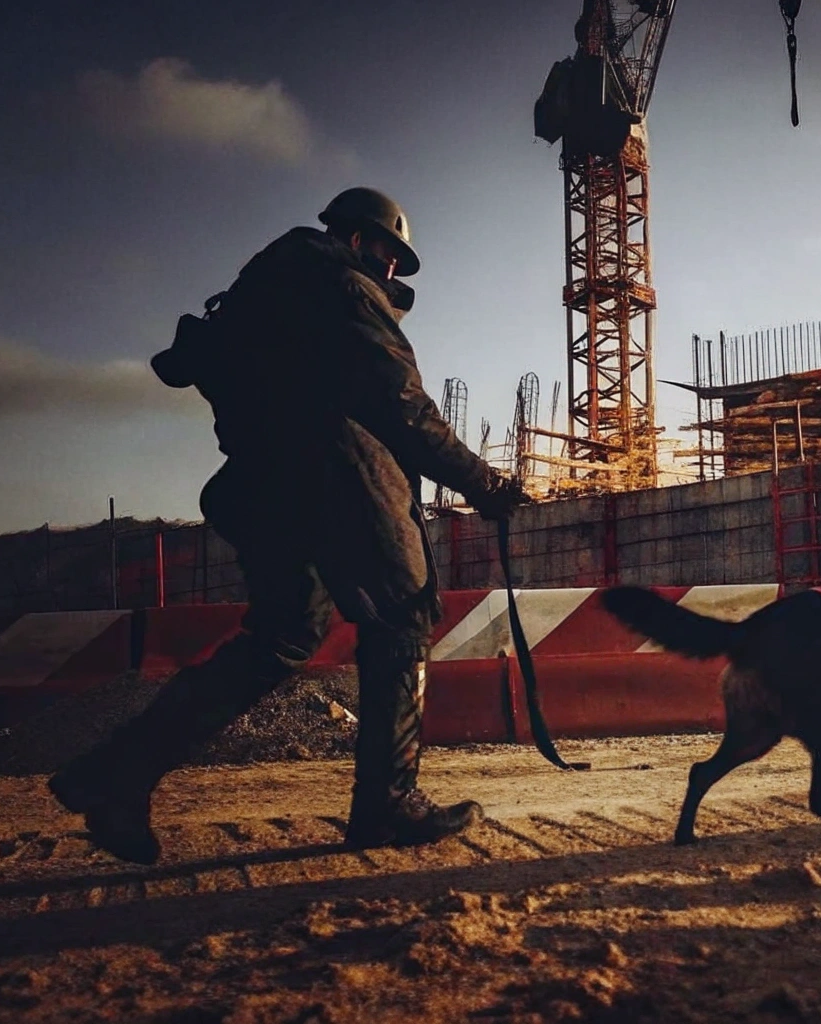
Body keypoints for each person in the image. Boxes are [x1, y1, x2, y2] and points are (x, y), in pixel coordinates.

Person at [49, 187, 530, 865]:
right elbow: (402, 406)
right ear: (363, 241)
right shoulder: (344, 289)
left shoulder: (258, 294)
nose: (392, 272)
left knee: (282, 635)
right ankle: (387, 803)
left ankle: (116, 775)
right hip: (336, 480)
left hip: (260, 490)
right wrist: (487, 484)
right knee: (403, 615)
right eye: (390, 256)